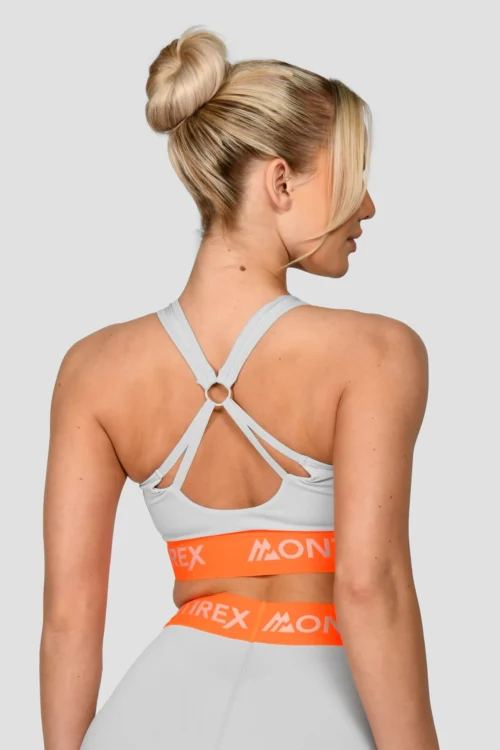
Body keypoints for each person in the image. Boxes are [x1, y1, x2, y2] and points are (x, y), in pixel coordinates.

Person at [39, 25, 440, 750]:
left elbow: (69, 617)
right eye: (353, 175)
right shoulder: (377, 353)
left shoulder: (93, 368)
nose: (369, 207)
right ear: (280, 182)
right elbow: (369, 586)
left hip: (149, 715)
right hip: (316, 715)